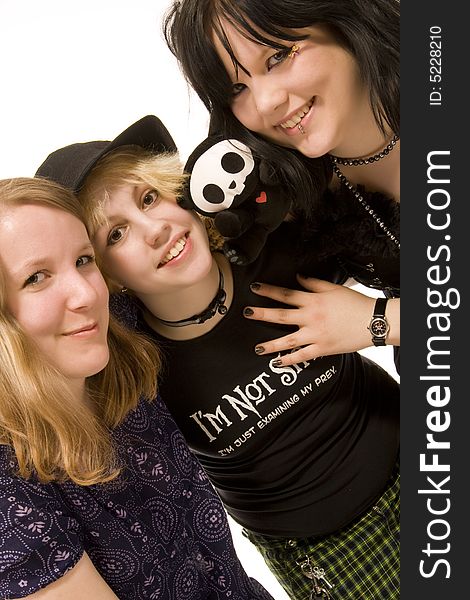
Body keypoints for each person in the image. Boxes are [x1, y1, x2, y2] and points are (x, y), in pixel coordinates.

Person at [36, 115, 400, 599]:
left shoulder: (277, 248)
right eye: (116, 235)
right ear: (102, 274)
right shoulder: (128, 365)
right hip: (333, 553)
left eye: (149, 198)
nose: (155, 229)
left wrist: (376, 320)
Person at [0, 176, 273, 600]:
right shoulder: (9, 491)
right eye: (36, 278)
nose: (85, 295)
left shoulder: (120, 336)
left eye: (84, 260)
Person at [162, 0, 400, 370]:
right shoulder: (294, 193)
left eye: (277, 57)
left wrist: (379, 321)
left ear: (343, 21)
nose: (267, 102)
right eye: (237, 89)